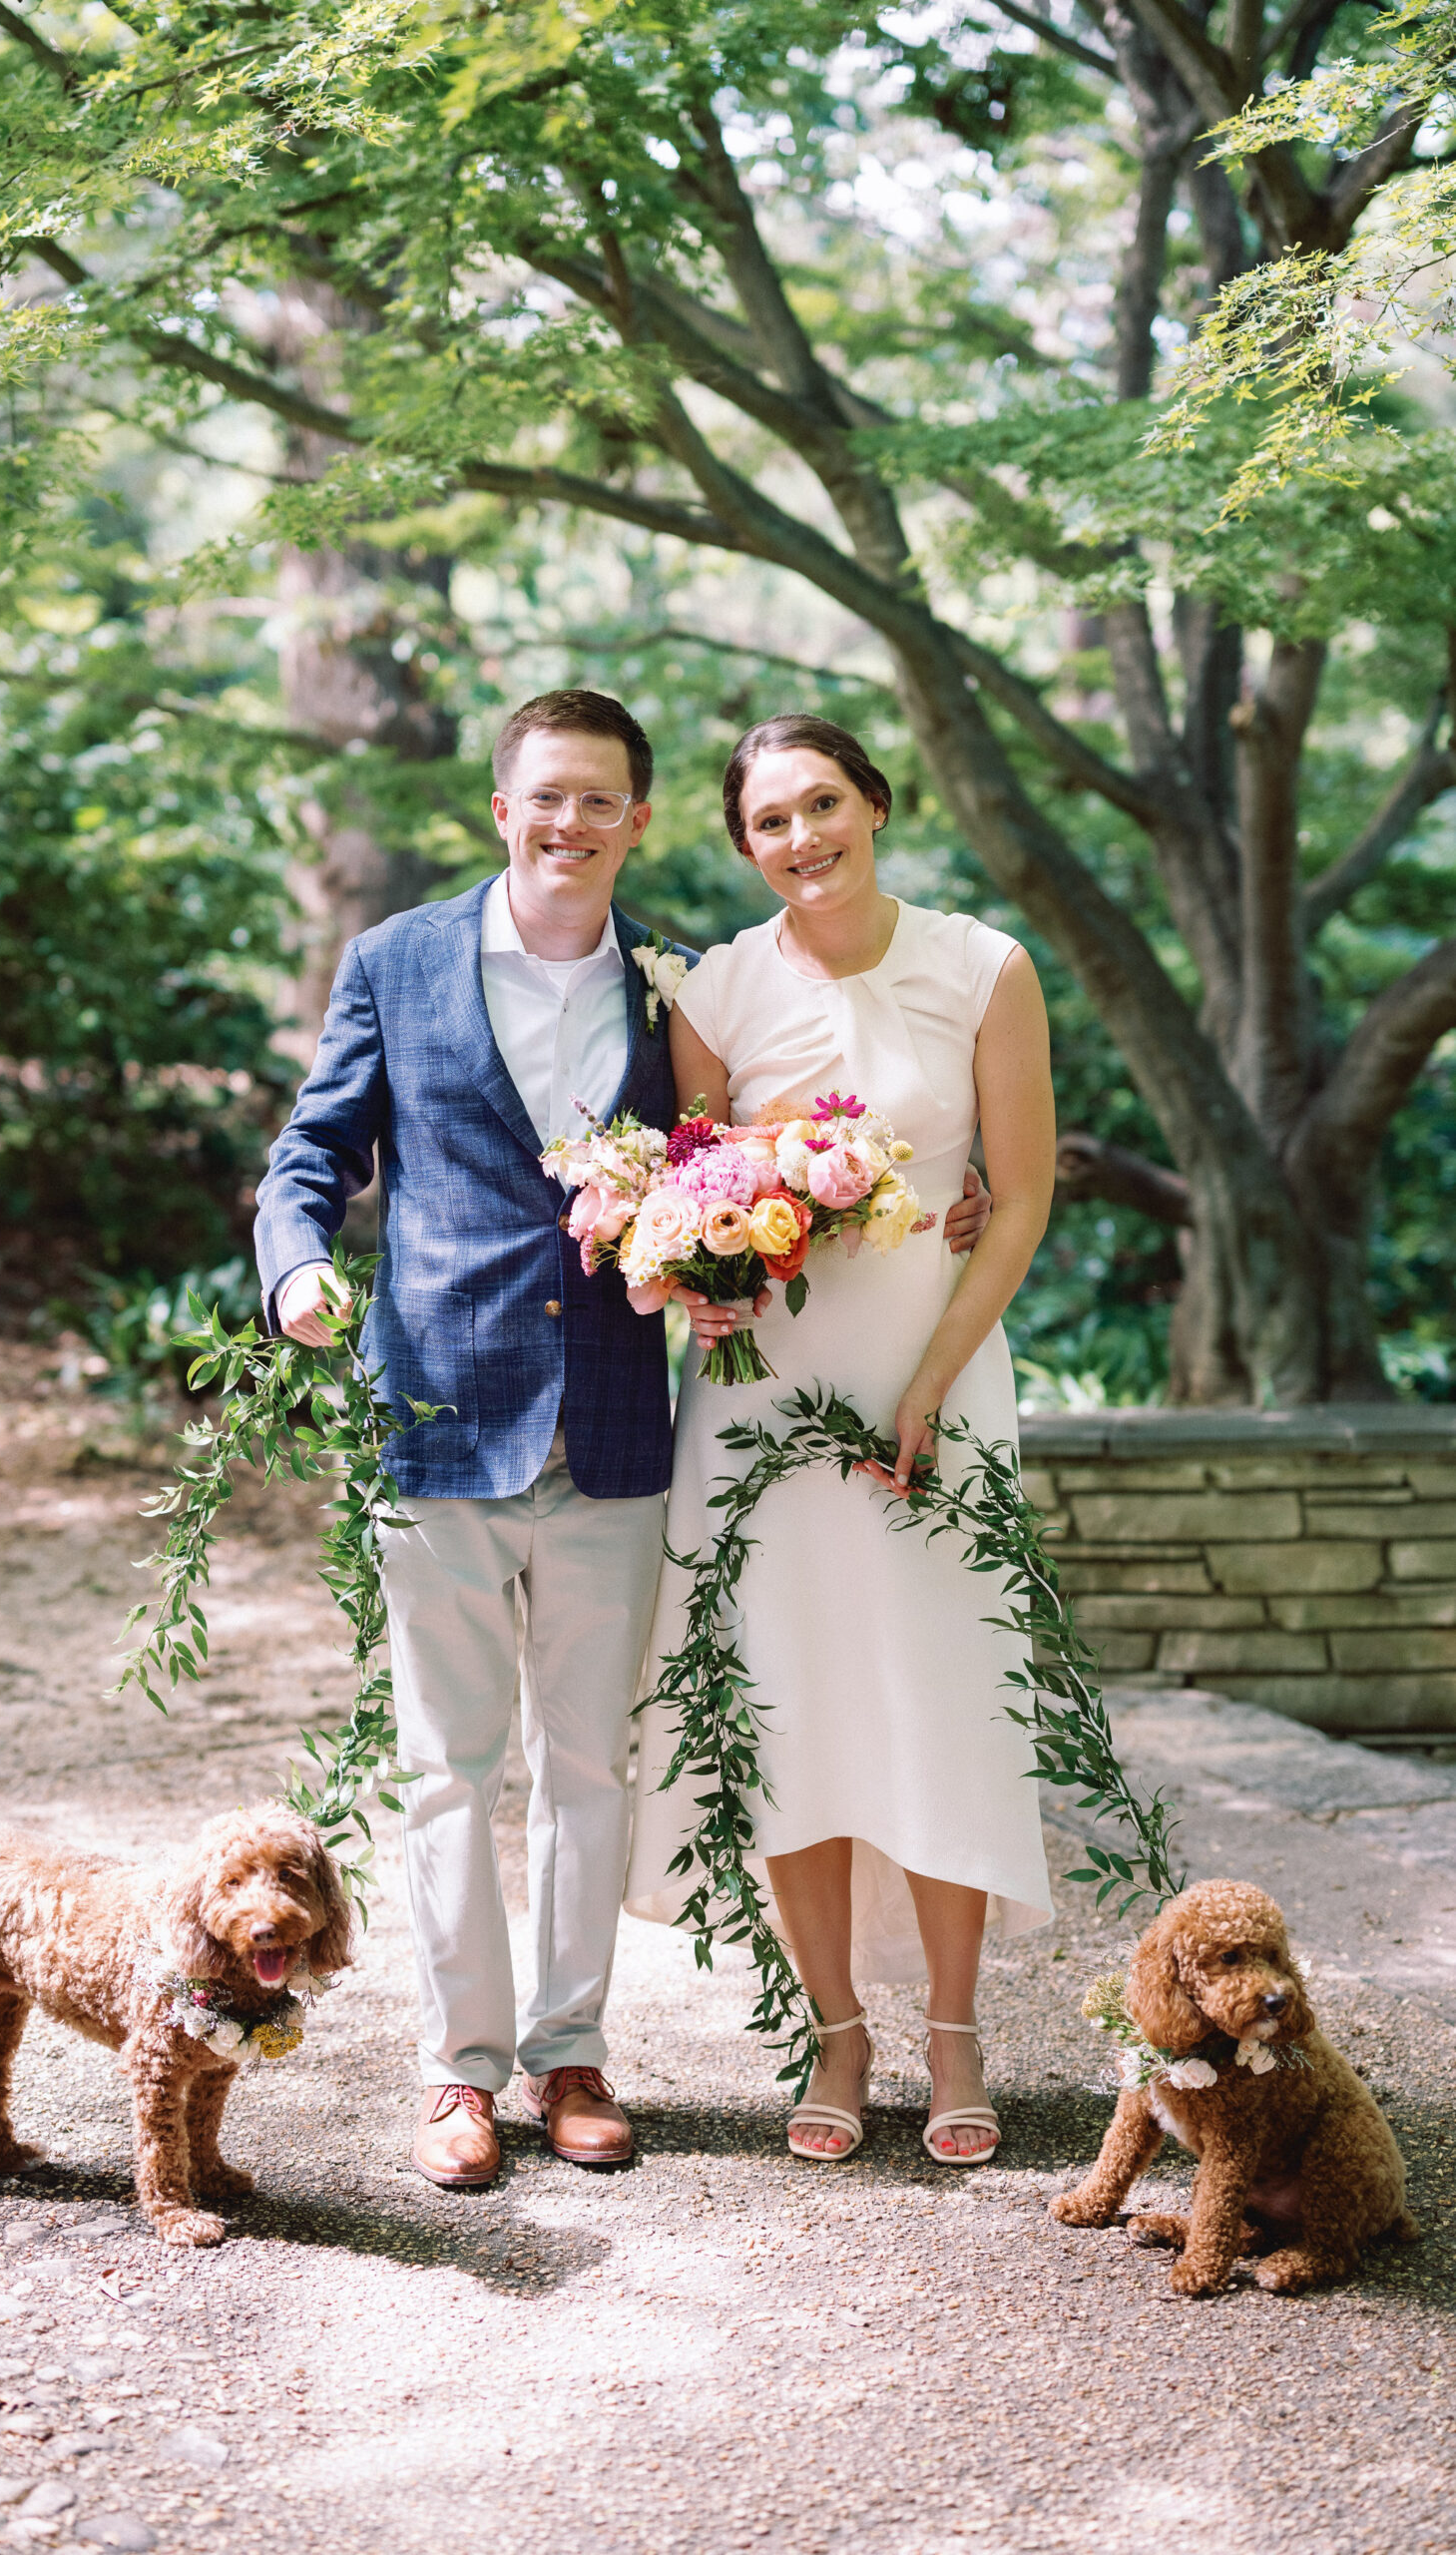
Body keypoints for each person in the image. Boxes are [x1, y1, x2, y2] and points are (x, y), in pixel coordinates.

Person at [255, 693, 991, 2189]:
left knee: (588, 1761)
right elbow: (313, 1152)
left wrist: (942, 1191)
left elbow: (760, 1146)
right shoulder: (396, 961)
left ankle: (568, 2056)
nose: (570, 824)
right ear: (501, 807)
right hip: (435, 1416)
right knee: (447, 1769)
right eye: (546, 798)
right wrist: (294, 1266)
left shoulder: (680, 989)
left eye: (600, 800)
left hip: (610, 1424)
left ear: (638, 820)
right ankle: (455, 2076)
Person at [625, 714, 1057, 2167]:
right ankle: (833, 2025)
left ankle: (952, 2029)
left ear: (874, 803)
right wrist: (695, 1266)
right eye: (769, 822)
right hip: (762, 1394)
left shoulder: (983, 967)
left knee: (940, 1689)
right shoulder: (714, 990)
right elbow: (687, 1201)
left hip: (932, 1366)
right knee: (781, 1697)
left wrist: (933, 1381)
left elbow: (1028, 1194)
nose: (802, 838)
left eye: (824, 804)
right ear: (742, 845)